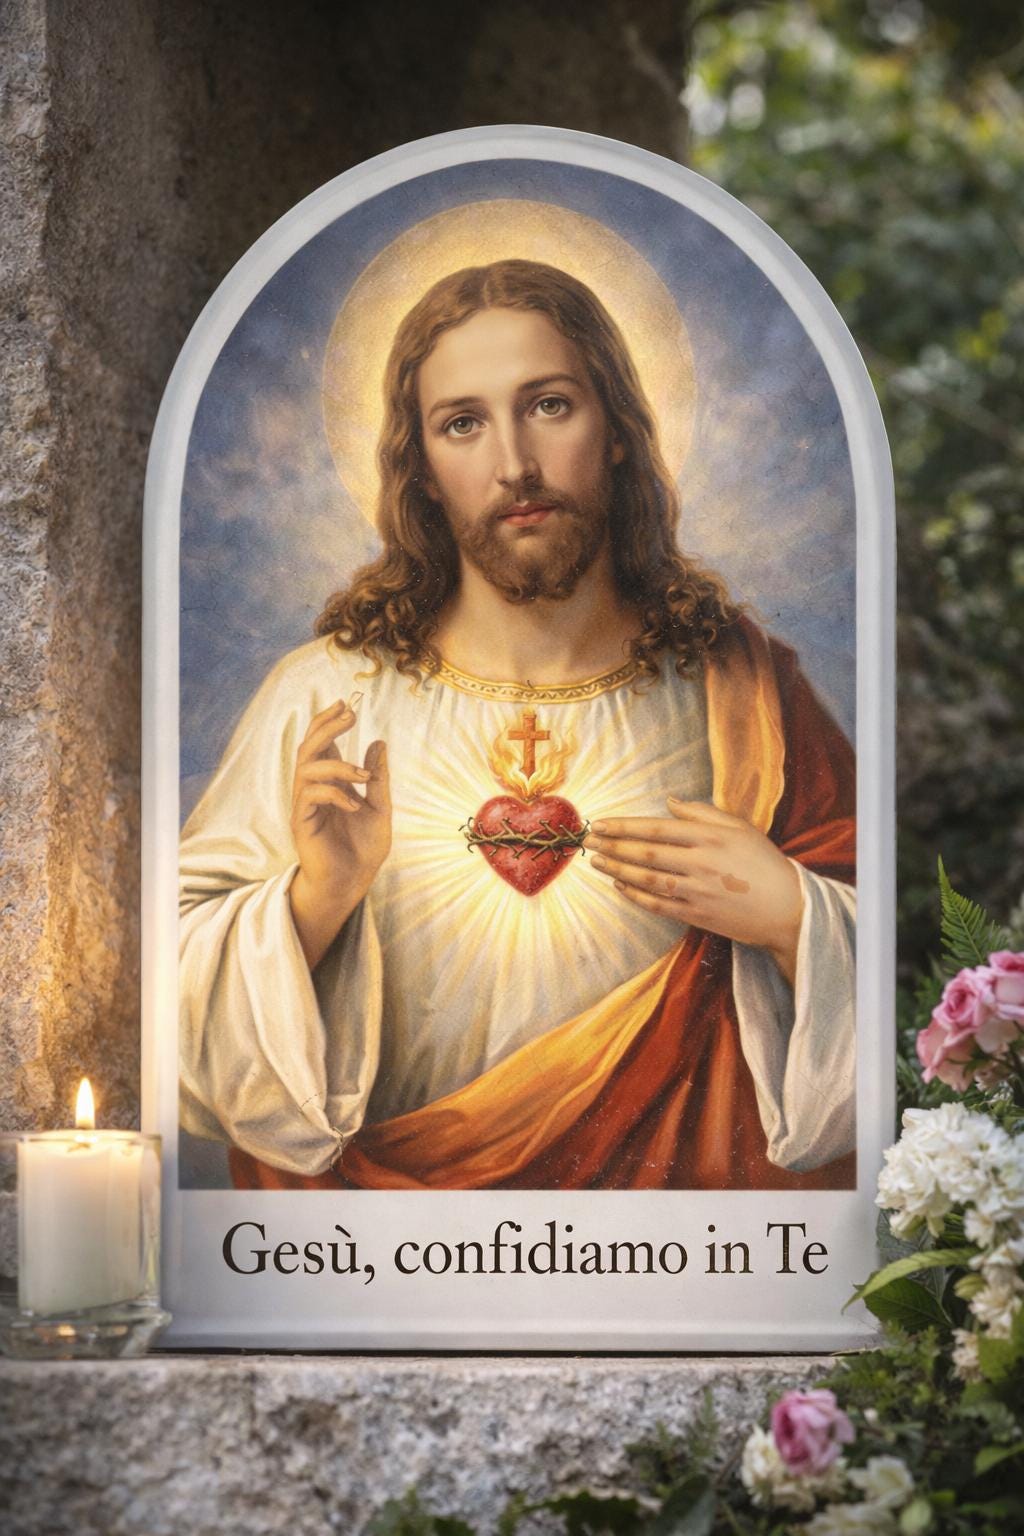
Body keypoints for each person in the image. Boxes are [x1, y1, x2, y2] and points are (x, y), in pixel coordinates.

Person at [179, 258, 856, 1192]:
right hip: (380, 1250)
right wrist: (315, 899)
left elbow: (894, 973)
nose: (515, 466)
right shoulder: (328, 696)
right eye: (463, 423)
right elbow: (175, 1009)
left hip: (675, 1246)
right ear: (421, 469)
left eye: (548, 406)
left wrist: (790, 915)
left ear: (616, 429)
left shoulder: (743, 691)